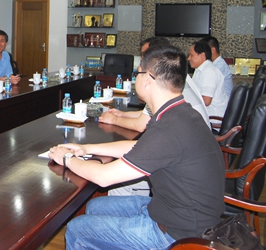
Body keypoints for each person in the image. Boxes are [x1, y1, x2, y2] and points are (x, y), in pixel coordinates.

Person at [49, 45, 225, 249]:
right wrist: (87, 148)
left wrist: (67, 159)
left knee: (77, 228)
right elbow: (139, 146)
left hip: (177, 234)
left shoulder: (169, 129)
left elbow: (104, 177)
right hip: (174, 211)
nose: (135, 79)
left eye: (137, 74)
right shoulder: (181, 113)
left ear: (148, 79)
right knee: (95, 206)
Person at [100, 37, 210, 132]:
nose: (143, 59)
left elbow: (140, 125)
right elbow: (148, 114)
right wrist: (122, 114)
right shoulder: (173, 74)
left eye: (145, 54)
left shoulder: (164, 82)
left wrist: (113, 119)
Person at [188, 40, 229, 117]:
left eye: (191, 55)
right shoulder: (199, 69)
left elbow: (206, 101)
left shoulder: (209, 71)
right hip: (203, 114)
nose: (188, 59)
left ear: (202, 55)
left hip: (212, 116)